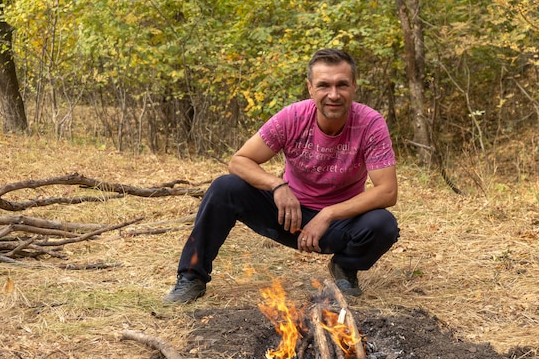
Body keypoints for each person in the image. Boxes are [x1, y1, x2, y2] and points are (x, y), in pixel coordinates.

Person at [164, 48, 399, 303]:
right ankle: (191, 277)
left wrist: (328, 214)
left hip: (336, 226)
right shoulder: (293, 117)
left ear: (354, 86)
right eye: (324, 85)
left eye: (342, 84)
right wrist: (277, 185)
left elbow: (387, 191)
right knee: (225, 187)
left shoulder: (370, 123)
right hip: (288, 215)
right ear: (310, 88)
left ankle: (345, 268)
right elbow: (239, 160)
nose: (333, 94)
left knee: (382, 224)